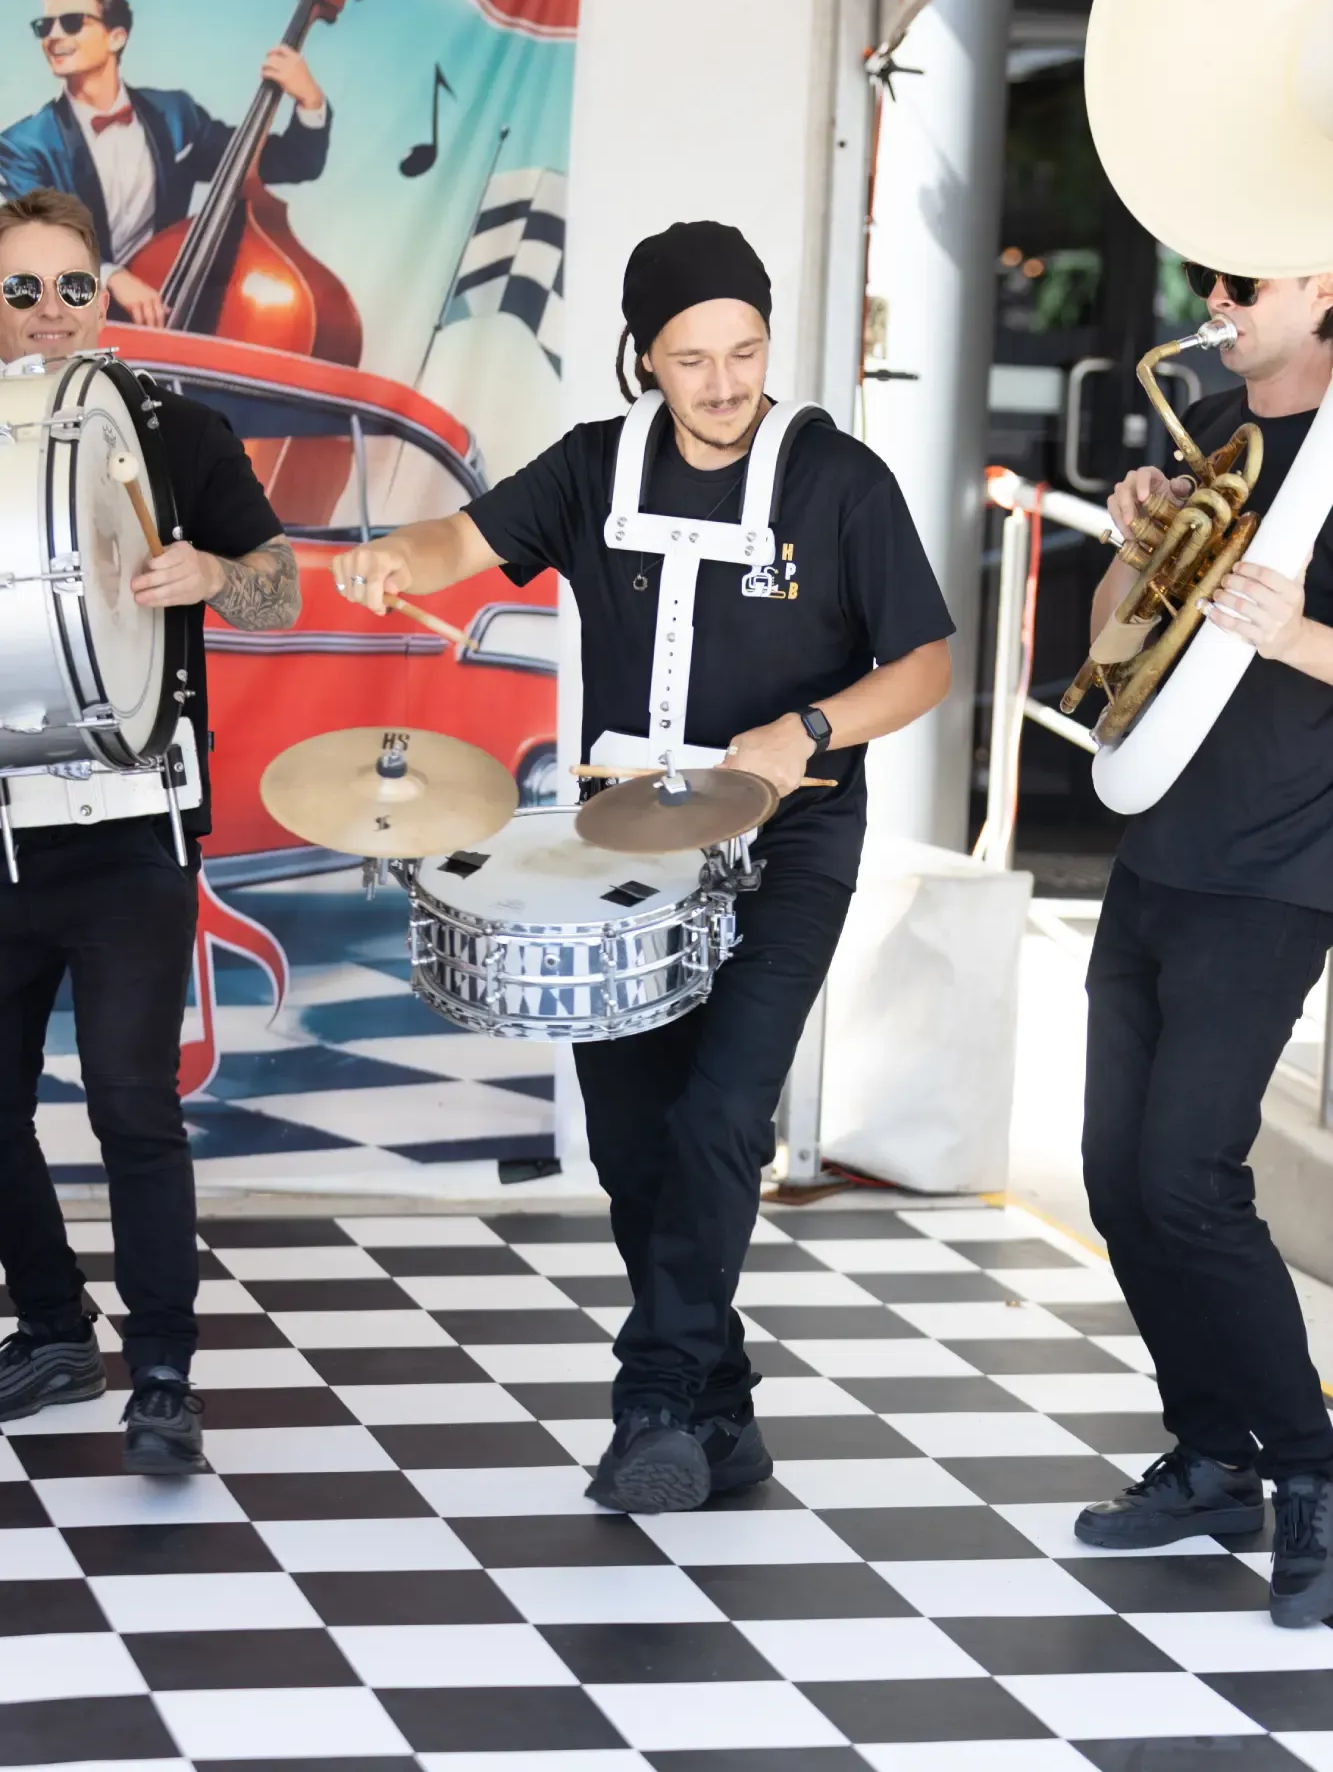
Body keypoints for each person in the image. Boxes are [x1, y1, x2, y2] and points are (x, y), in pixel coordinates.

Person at [333, 221, 953, 1512]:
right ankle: (720, 1413)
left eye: (744, 352)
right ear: (642, 359)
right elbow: (468, 540)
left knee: (724, 1113)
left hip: (791, 840)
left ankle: (655, 1402)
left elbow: (926, 663)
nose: (724, 384)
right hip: (618, 841)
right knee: (632, 1139)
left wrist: (812, 727)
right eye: (691, 359)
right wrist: (403, 556)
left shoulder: (837, 479)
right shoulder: (592, 467)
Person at [0, 188, 301, 1470]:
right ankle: (58, 1327)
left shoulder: (175, 427)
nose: (52, 313)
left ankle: (163, 1374)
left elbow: (281, 590)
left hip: (132, 828)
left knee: (133, 1102)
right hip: (3, 835)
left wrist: (213, 576)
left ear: (107, 291)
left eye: (75, 285)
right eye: (22, 289)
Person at [1078, 265, 1333, 1627]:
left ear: (1324, 286)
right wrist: (1136, 544)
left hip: (1279, 870)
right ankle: (1213, 1459)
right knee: (1117, 1180)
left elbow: (1285, 643)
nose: (1213, 299)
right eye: (1208, 279)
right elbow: (1109, 654)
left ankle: (1313, 1469)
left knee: (1185, 1176)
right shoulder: (1216, 448)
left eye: (1244, 281)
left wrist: (1293, 634)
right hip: (1157, 853)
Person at [0, 0, 330, 327]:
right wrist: (111, 277)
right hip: (74, 321)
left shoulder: (176, 117)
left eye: (71, 23)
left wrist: (310, 100)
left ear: (116, 37)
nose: (54, 36)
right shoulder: (23, 144)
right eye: (44, 27)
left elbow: (291, 163)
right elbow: (37, 239)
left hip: (169, 310)